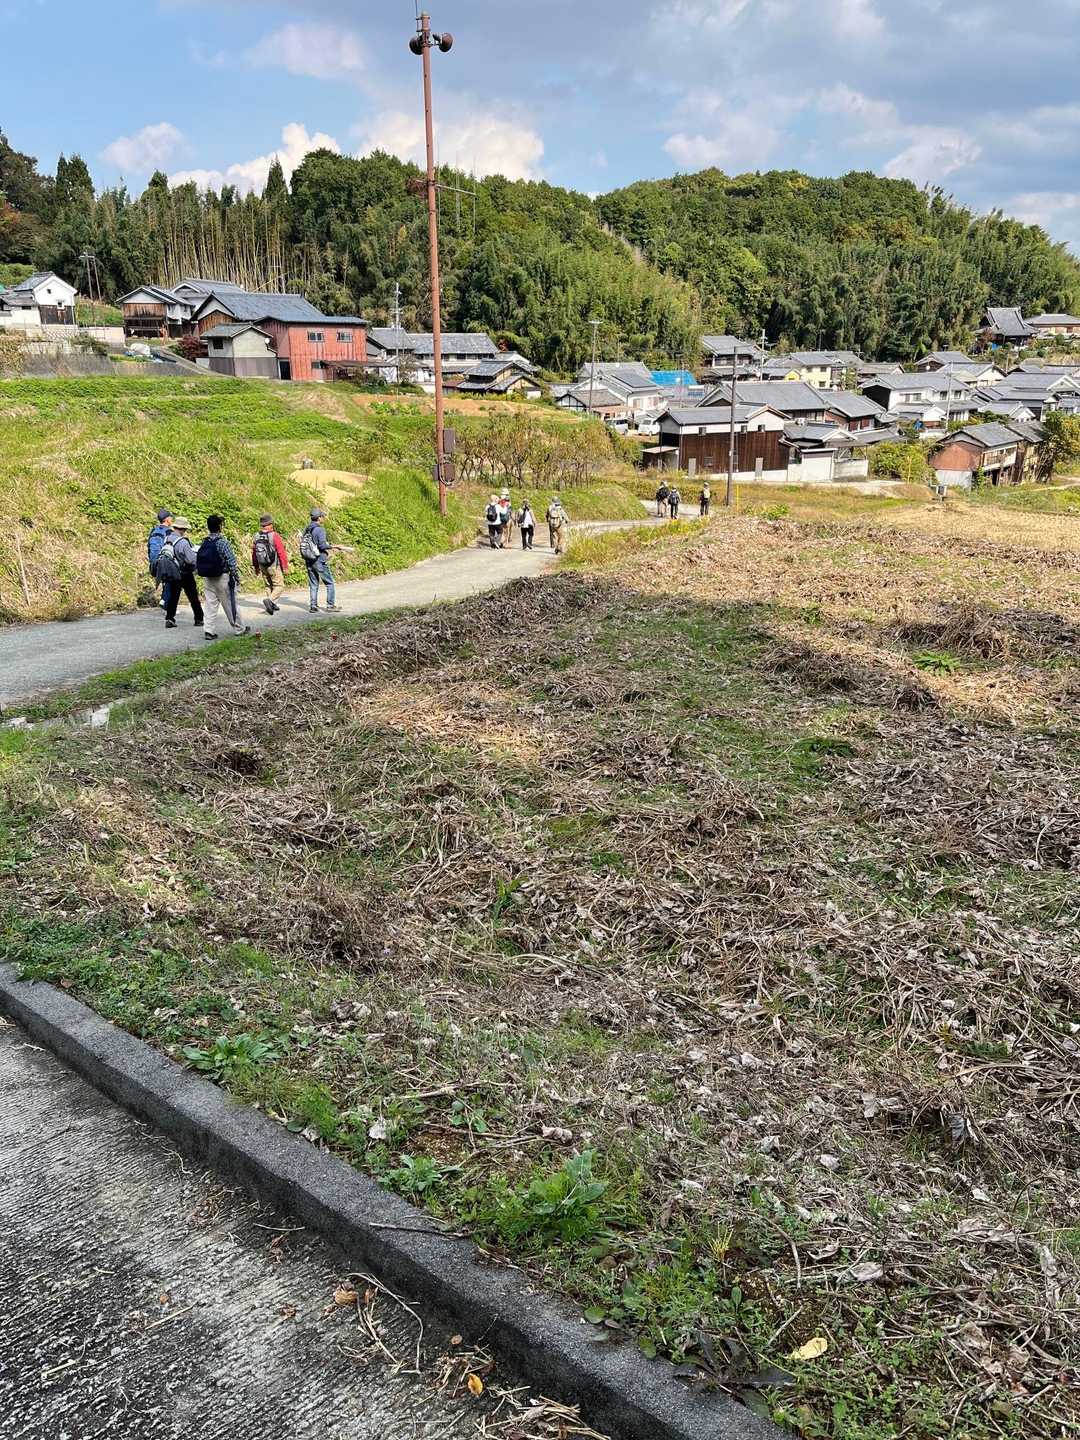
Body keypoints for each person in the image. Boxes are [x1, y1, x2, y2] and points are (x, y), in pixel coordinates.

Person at [196, 515, 250, 640]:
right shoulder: (223, 542)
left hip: (207, 578)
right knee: (230, 604)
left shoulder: (204, 542)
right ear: (220, 527)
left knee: (210, 605)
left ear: (208, 527)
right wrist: (236, 578)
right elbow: (231, 562)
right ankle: (239, 629)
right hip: (222, 578)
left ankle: (208, 630)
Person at [162, 518, 204, 629]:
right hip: (185, 572)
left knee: (173, 597)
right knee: (193, 596)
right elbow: (190, 560)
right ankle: (199, 619)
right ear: (183, 529)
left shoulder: (167, 538)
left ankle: (170, 618)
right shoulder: (183, 542)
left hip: (172, 571)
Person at [300, 507, 341, 614]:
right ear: (319, 518)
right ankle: (330, 606)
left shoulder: (307, 529)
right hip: (319, 560)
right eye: (322, 516)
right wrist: (334, 546)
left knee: (313, 584)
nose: (323, 518)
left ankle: (313, 606)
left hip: (309, 560)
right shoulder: (320, 529)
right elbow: (322, 545)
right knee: (329, 583)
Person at [252, 514, 288, 614]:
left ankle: (272, 605)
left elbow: (254, 553)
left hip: (262, 565)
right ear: (270, 524)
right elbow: (281, 552)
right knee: (279, 585)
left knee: (268, 585)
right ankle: (270, 600)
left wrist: (256, 566)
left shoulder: (256, 536)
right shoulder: (274, 535)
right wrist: (285, 566)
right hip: (273, 566)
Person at [147, 508, 172, 608]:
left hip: (154, 562)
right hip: (164, 562)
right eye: (170, 517)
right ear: (167, 519)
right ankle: (166, 602)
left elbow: (149, 547)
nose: (171, 519)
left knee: (167, 580)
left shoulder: (153, 531)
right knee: (173, 579)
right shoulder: (169, 532)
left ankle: (165, 600)